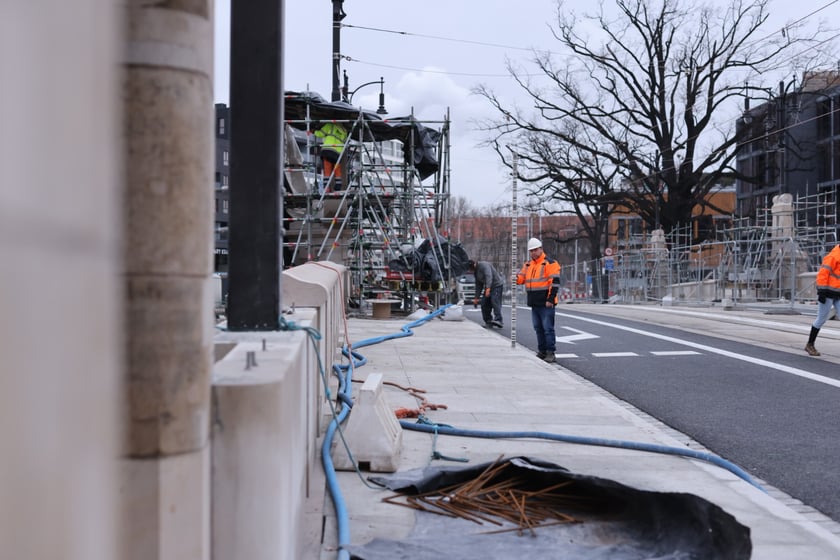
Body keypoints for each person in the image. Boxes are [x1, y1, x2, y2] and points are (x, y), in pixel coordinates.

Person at [516, 237, 561, 363]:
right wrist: (515, 278)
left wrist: (550, 299)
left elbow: (555, 282)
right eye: (531, 251)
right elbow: (521, 278)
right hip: (534, 302)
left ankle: (550, 352)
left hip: (546, 302)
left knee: (548, 329)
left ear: (541, 249)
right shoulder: (528, 265)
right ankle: (542, 351)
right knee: (538, 328)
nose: (533, 253)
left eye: (535, 250)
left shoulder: (550, 263)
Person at [805, 239, 840, 356]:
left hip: (838, 294)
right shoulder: (833, 256)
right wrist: (822, 292)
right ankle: (810, 344)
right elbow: (823, 274)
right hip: (828, 292)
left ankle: (810, 345)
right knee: (821, 319)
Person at [468, 259, 504, 328]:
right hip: (488, 287)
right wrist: (476, 298)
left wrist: (488, 288)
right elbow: (479, 285)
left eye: (471, 269)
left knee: (494, 301)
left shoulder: (484, 265)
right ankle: (488, 321)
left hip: (496, 285)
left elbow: (489, 276)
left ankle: (499, 319)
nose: (471, 271)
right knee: (484, 303)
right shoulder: (476, 272)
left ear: (474, 264)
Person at [314, 121, 348, 187]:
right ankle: (338, 188)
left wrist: (313, 131)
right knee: (337, 171)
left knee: (327, 169)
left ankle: (327, 188)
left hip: (328, 150)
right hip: (337, 153)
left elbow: (320, 134)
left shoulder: (330, 125)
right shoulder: (344, 131)